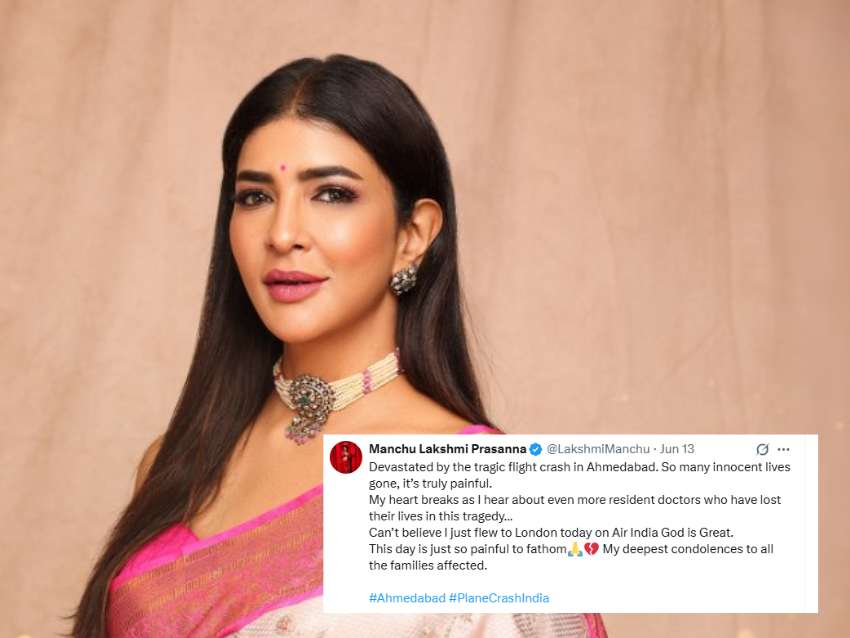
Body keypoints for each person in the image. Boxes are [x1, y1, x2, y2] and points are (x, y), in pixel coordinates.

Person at [65, 54, 608, 638]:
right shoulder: (174, 464)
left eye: (330, 194)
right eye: (255, 198)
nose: (283, 234)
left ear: (413, 235)